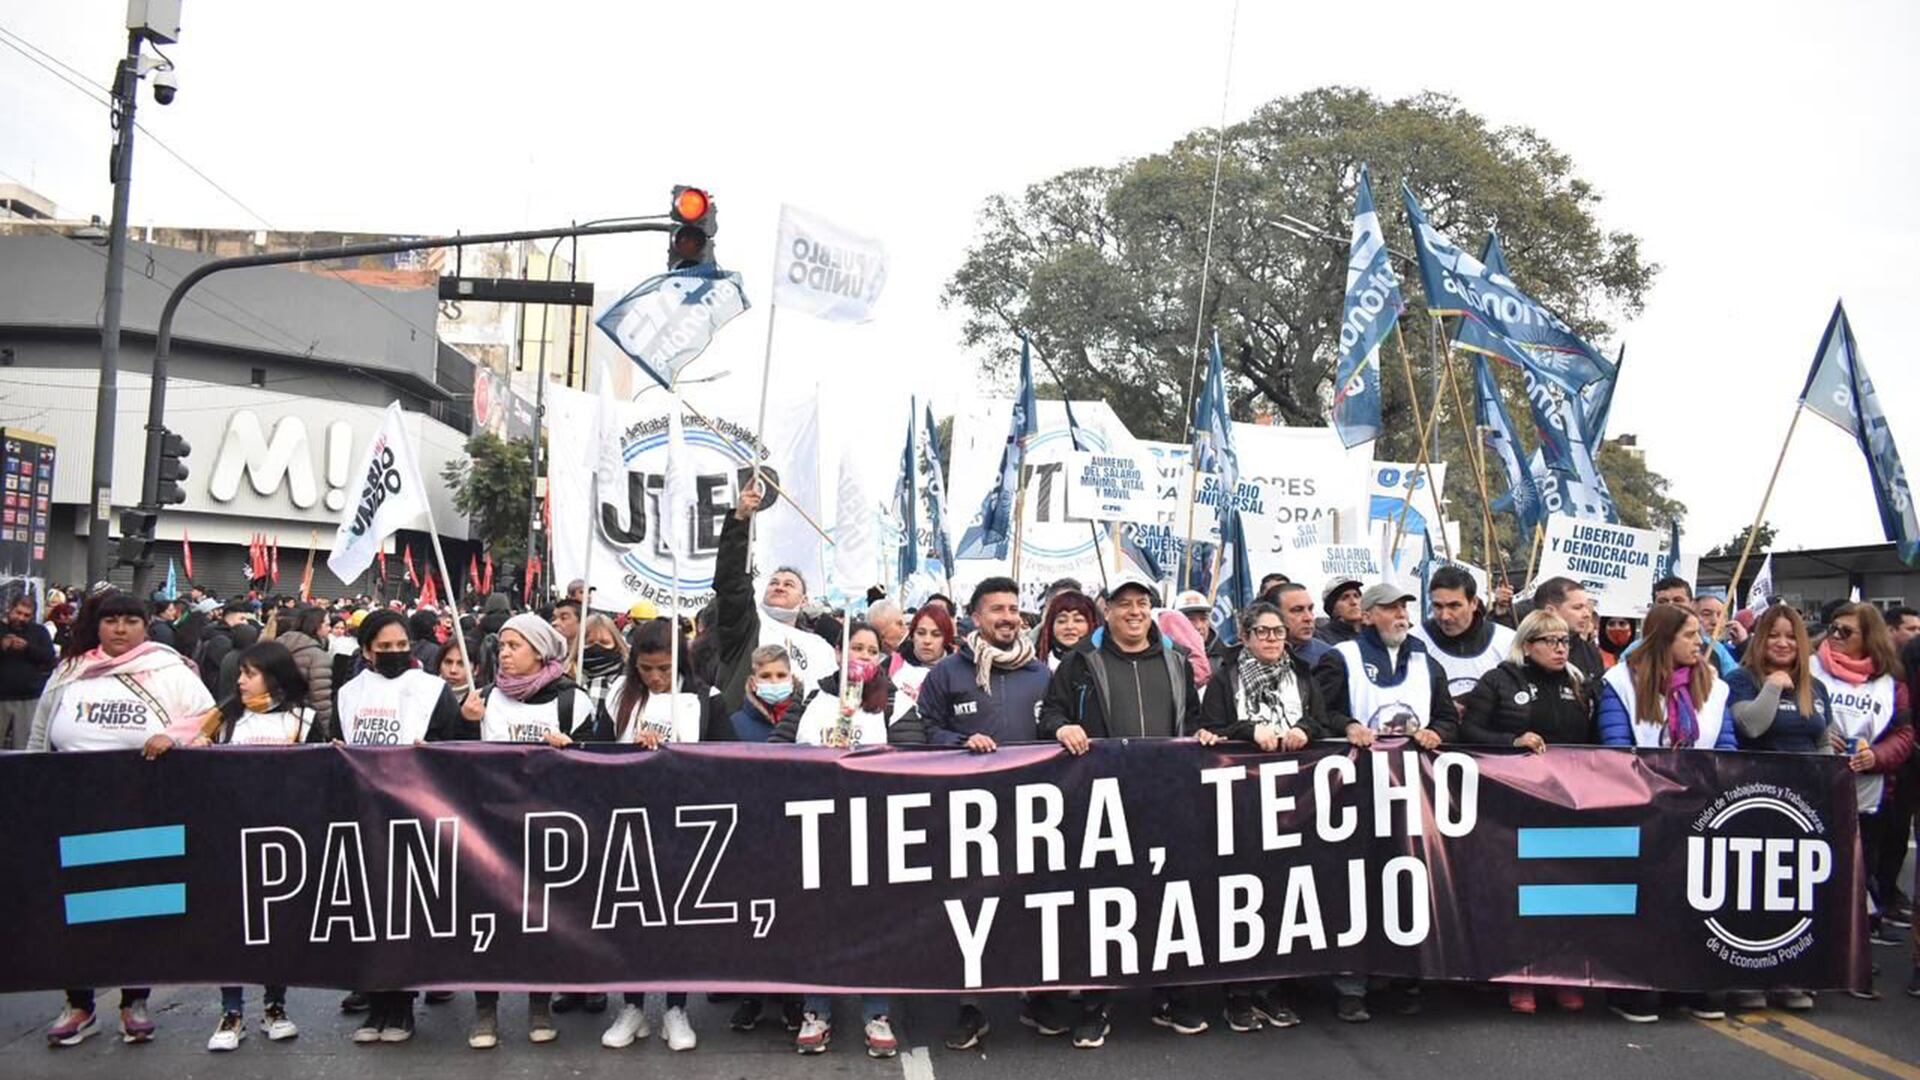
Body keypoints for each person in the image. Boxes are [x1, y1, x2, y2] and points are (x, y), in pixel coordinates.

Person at [28, 589, 217, 1047]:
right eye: (110, 620)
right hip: (75, 807)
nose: (119, 629)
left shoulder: (170, 670)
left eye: (129, 621)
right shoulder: (70, 671)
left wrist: (172, 736)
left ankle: (134, 1001)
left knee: (138, 906)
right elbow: (39, 736)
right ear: (96, 624)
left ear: (144, 626)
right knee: (77, 910)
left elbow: (209, 720)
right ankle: (78, 1004)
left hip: (143, 805)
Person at [1039, 571, 1206, 1047]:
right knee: (1102, 906)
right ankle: (1095, 1004)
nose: (1134, 612)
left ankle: (1171, 997)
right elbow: (1052, 713)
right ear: (1106, 611)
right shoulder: (1080, 662)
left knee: (1172, 901)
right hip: (1102, 804)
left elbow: (1194, 721)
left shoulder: (1176, 662)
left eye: (1142, 603)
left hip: (1168, 800)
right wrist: (1061, 729)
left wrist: (1205, 736)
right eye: (1124, 604)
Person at [915, 577, 1054, 1049]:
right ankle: (970, 1006)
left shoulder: (1041, 673)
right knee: (971, 909)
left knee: (1030, 906)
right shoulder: (947, 675)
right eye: (997, 608)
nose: (1008, 616)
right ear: (975, 617)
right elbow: (926, 729)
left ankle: (1036, 995)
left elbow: (1055, 726)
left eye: (1014, 608)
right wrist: (960, 743)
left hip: (1032, 813)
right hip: (968, 816)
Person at [1312, 581, 1457, 1022]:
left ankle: (1403, 977)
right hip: (1356, 792)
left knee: (1408, 884)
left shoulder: (1424, 660)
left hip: (1413, 793)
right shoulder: (1343, 658)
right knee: (1356, 886)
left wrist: (1441, 733)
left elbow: (1448, 716)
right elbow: (1319, 713)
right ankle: (1350, 985)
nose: (1400, 616)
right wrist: (1347, 724)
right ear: (1368, 615)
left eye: (1403, 609)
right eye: (1390, 609)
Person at [333, 609, 481, 1041]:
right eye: (385, 648)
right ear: (366, 651)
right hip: (364, 813)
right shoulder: (349, 693)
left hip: (417, 814)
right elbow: (332, 742)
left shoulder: (433, 690)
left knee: (407, 913)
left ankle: (402, 1009)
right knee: (371, 914)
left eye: (402, 646)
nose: (396, 654)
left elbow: (457, 749)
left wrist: (457, 732)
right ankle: (377, 1005)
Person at [466, 612, 610, 1048]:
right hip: (488, 828)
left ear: (541, 652)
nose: (504, 654)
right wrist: (461, 722)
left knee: (539, 920)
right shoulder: (483, 698)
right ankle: (485, 1011)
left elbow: (598, 768)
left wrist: (571, 751)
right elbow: (451, 763)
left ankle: (539, 1004)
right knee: (486, 921)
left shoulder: (573, 702)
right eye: (503, 646)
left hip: (547, 830)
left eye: (515, 646)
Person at [770, 621, 912, 1057]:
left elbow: (917, 756)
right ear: (838, 651)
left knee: (873, 922)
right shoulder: (813, 697)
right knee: (820, 921)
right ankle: (817, 1009)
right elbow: (776, 747)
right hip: (817, 828)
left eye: (872, 650)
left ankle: (877, 1012)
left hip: (875, 828)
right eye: (855, 647)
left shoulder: (895, 702)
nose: (863, 656)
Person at [1596, 602, 1734, 1022]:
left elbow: (1726, 745)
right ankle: (1640, 985)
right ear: (1664, 639)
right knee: (1645, 901)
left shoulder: (1714, 685)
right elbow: (1617, 745)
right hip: (1643, 809)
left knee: (1693, 900)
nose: (1701, 642)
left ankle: (1689, 983)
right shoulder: (1619, 683)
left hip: (1699, 808)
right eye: (1691, 635)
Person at [1196, 599, 1330, 1033]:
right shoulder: (1224, 679)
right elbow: (1210, 725)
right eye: (1264, 633)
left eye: (1278, 633)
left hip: (1295, 801)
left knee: (1285, 894)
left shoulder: (1303, 676)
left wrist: (1304, 730)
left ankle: (1273, 990)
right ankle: (1237, 994)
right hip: (1240, 801)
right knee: (1241, 896)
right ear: (1246, 637)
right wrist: (1247, 730)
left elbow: (1320, 720)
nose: (1273, 640)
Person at [1457, 609, 1595, 1014]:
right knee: (1522, 892)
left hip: (1569, 800)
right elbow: (1469, 732)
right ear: (1527, 644)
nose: (1559, 648)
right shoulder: (1500, 680)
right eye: (1549, 641)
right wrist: (1512, 739)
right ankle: (1521, 978)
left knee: (1565, 892)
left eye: (1564, 641)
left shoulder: (1577, 681)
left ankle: (1564, 975)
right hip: (1515, 802)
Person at [195, 641, 312, 1051]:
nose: (240, 681)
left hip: (282, 839)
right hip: (228, 835)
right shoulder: (222, 719)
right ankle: (231, 1011)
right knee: (231, 926)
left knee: (276, 927)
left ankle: (275, 1005)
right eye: (240, 673)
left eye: (249, 673)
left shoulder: (304, 719)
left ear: (274, 676)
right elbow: (191, 755)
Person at [1724, 604, 1829, 1012]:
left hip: (1803, 809)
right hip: (1752, 804)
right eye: (1774, 635)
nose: (1783, 643)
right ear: (1760, 639)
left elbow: (1823, 738)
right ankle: (1747, 978)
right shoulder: (1740, 680)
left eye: (1790, 636)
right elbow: (1749, 726)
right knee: (1749, 895)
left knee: (1793, 896)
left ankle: (1788, 975)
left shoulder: (1814, 688)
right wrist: (1772, 687)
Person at [1809, 602, 1913, 967]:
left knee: (1858, 874)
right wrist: (1819, 734)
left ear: (1869, 638)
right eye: (1832, 629)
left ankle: (1853, 956)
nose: (1835, 637)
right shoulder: (1811, 668)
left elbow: (1903, 734)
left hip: (1867, 794)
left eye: (1846, 632)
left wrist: (1878, 756)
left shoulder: (1889, 682)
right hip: (1813, 791)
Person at [713, 480, 839, 713]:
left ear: (804, 601)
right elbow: (732, 584)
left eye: (789, 584)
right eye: (774, 582)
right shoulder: (749, 624)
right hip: (746, 732)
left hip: (801, 738)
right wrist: (740, 522)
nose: (779, 587)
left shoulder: (821, 647)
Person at [1410, 566, 1516, 703]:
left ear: (1473, 603)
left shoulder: (1506, 642)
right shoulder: (1413, 641)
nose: (1445, 616)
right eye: (1438, 606)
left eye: (1454, 606)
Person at [0, 593, 56, 749]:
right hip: (1, 697)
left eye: (26, 615)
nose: (21, 618)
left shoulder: (39, 632)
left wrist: (27, 648)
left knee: (24, 748)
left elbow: (50, 659)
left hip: (28, 699)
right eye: (18, 613)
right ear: (9, 610)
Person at [272, 605, 336, 741]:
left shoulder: (276, 646)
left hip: (274, 720)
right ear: (316, 626)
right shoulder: (318, 656)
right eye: (327, 625)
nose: (329, 629)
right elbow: (320, 700)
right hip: (305, 725)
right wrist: (325, 732)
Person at [888, 604, 955, 714]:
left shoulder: (959, 670)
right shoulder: (891, 664)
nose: (927, 641)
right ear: (912, 635)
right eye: (921, 633)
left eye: (936, 634)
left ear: (946, 639)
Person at [731, 645, 801, 742]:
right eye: (765, 676)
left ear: (792, 679)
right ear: (753, 682)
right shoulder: (735, 725)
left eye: (781, 675)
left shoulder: (807, 719)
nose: (774, 681)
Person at [1035, 589, 1099, 671]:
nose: (1069, 627)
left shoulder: (1103, 663)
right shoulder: (1036, 664)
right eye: (1061, 621)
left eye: (1078, 620)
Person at [1273, 583, 1330, 667]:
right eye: (1297, 610)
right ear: (1274, 614)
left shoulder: (1330, 657)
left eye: (1310, 609)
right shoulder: (1255, 655)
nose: (1308, 618)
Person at [1314, 577, 1364, 647]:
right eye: (1345, 598)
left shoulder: (1372, 635)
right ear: (1332, 608)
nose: (1354, 602)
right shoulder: (1321, 639)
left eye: (1356, 596)